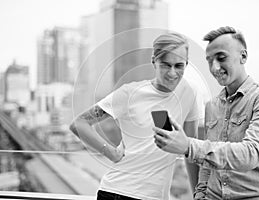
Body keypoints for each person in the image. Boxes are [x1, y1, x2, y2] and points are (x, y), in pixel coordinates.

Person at [153, 26, 259, 200]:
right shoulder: (212, 106)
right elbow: (208, 164)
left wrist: (187, 145)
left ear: (243, 56)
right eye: (209, 61)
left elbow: (250, 154)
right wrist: (200, 193)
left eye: (221, 58)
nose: (215, 67)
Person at [70, 32, 202, 200]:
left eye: (179, 65)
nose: (172, 72)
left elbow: (190, 149)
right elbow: (79, 124)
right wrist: (111, 153)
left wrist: (199, 194)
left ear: (187, 64)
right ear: (154, 61)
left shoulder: (189, 93)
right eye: (165, 65)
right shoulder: (129, 93)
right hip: (117, 193)